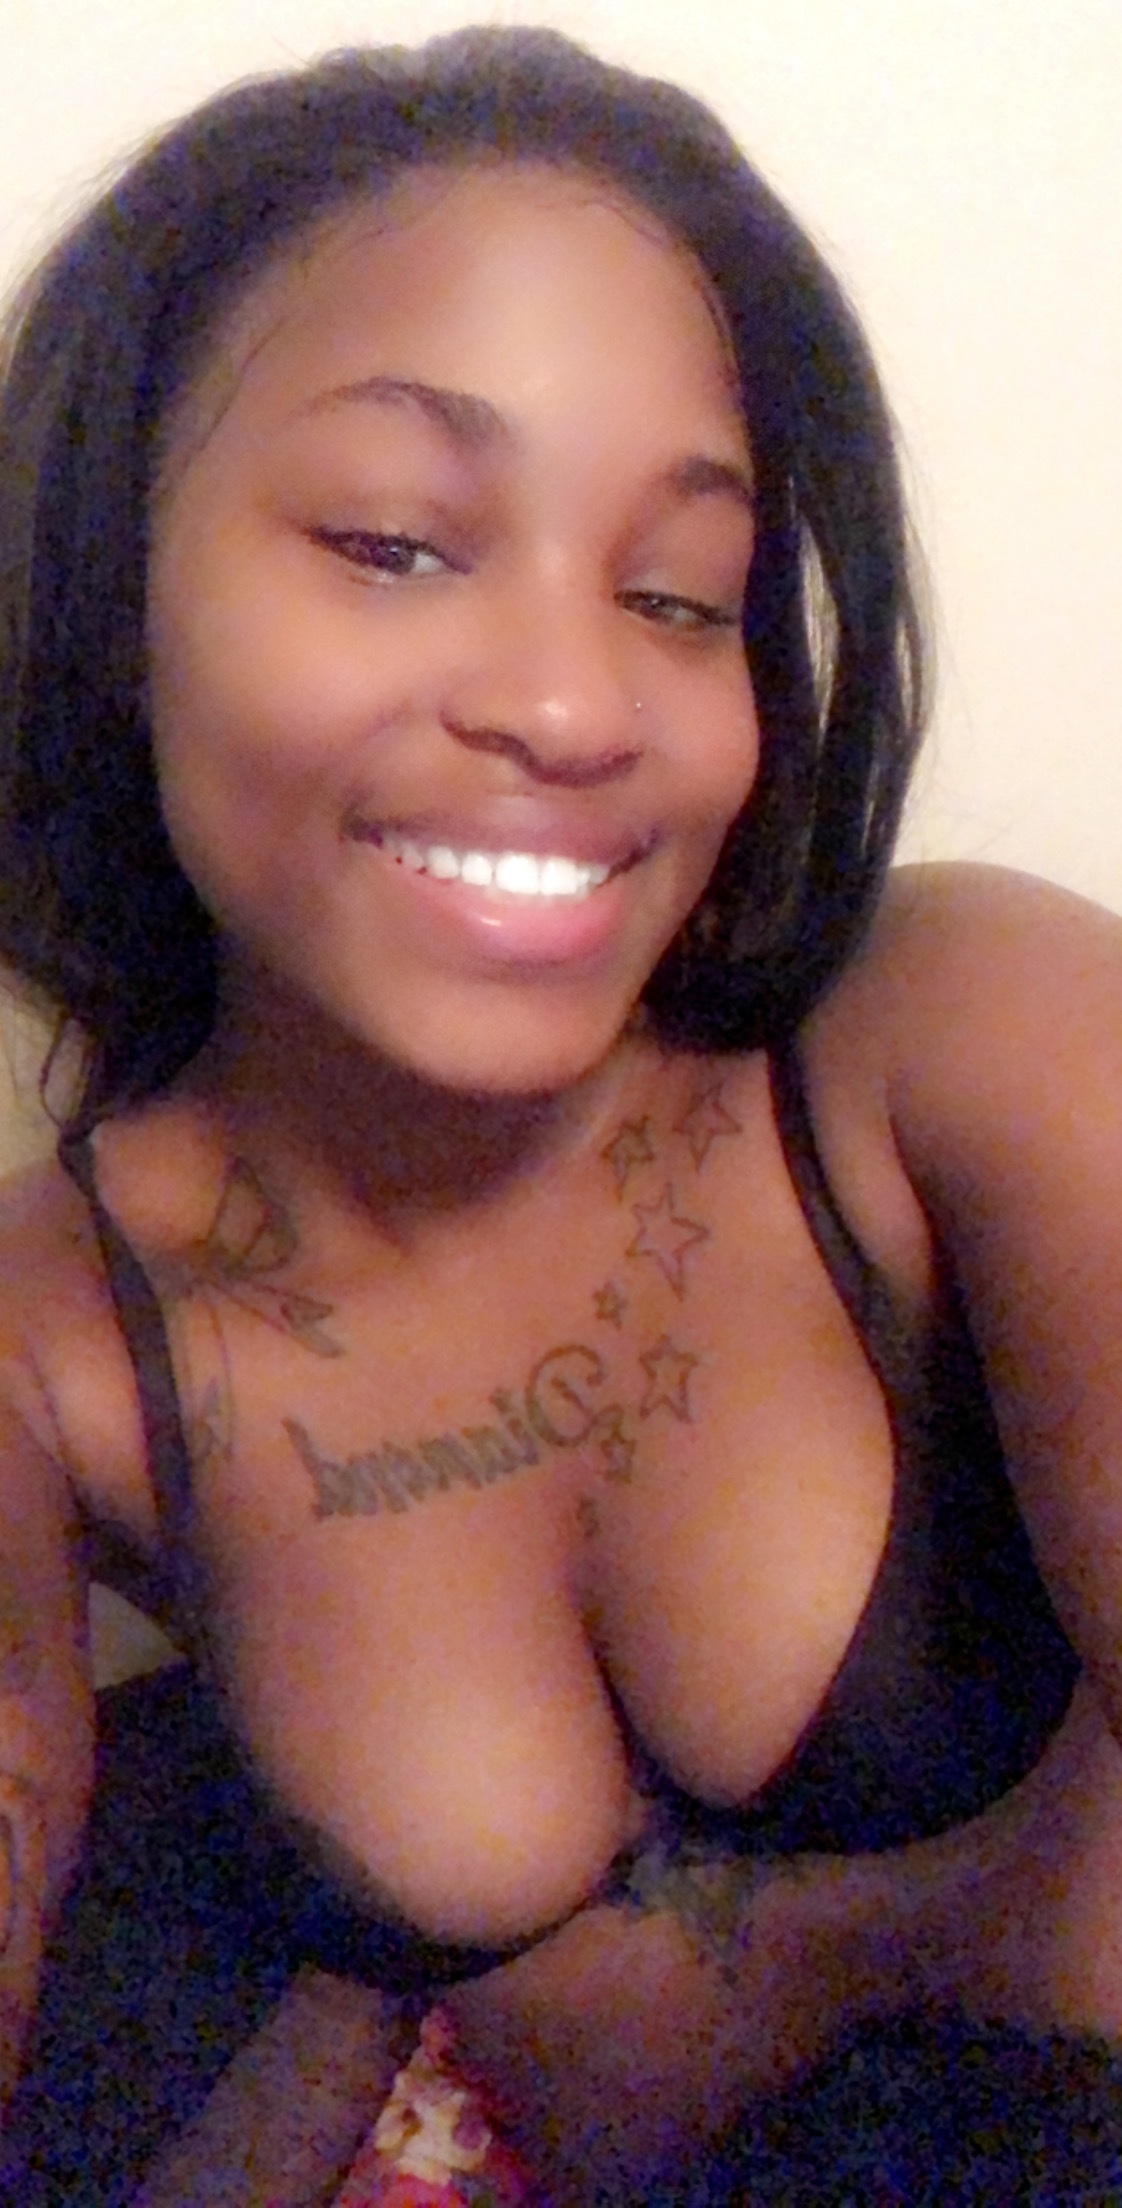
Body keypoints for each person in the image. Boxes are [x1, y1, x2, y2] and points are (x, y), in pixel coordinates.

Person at [0, 23, 1119, 2203]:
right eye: (395, 542)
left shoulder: (961, 1035)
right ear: (119, 590)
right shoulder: (51, 1334)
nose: (574, 701)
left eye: (678, 597)